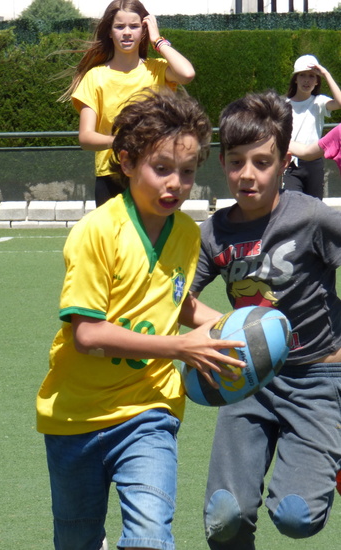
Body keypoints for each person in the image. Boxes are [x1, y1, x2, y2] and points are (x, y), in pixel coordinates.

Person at [36, 90, 247, 550]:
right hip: (74, 416)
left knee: (151, 536)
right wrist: (180, 347)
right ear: (126, 162)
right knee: (76, 541)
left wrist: (236, 326)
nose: (176, 184)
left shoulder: (190, 234)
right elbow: (88, 335)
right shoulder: (97, 233)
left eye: (188, 172)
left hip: (149, 410)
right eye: (162, 169)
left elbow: (175, 301)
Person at [190, 91, 341, 550]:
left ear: (283, 161)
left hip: (318, 378)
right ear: (222, 162)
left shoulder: (312, 217)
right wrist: (244, 330)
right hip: (247, 378)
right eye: (237, 162)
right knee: (225, 516)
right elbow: (179, 302)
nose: (248, 175)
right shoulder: (213, 232)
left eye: (262, 161)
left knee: (296, 516)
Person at [60, 0, 195, 207]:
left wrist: (158, 40)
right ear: (109, 32)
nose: (126, 33)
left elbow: (187, 74)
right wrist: (123, 142)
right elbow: (86, 138)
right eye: (119, 26)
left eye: (134, 26)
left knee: (151, 240)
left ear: (144, 31)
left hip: (155, 174)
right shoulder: (95, 77)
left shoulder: (157, 69)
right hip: (111, 177)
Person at [283, 54, 341, 199]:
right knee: (292, 207)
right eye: (302, 75)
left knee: (315, 211)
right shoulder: (283, 104)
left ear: (317, 81)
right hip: (291, 163)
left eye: (312, 76)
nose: (307, 80)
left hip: (314, 164)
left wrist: (326, 74)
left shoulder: (319, 102)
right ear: (295, 79)